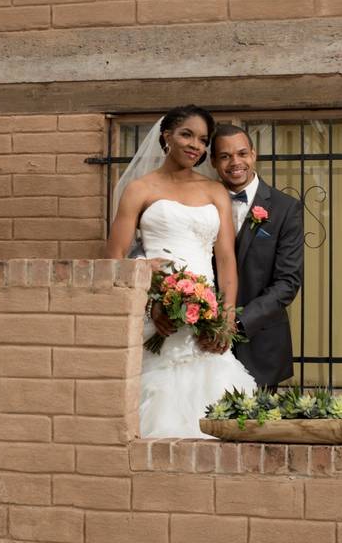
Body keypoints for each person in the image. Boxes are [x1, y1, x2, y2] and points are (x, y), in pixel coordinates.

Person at [105, 106, 256, 439]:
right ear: (166, 137)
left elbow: (227, 259)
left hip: (208, 314)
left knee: (218, 409)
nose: (196, 146)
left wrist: (227, 315)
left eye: (203, 140)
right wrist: (148, 281)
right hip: (157, 311)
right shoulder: (139, 189)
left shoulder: (215, 191)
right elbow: (115, 259)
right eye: (187, 134)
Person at [207, 124, 303, 389]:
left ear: (253, 154)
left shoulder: (285, 208)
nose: (235, 162)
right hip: (204, 341)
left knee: (256, 428)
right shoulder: (200, 206)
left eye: (242, 153)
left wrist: (237, 321)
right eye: (225, 156)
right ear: (214, 161)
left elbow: (288, 282)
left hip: (261, 345)